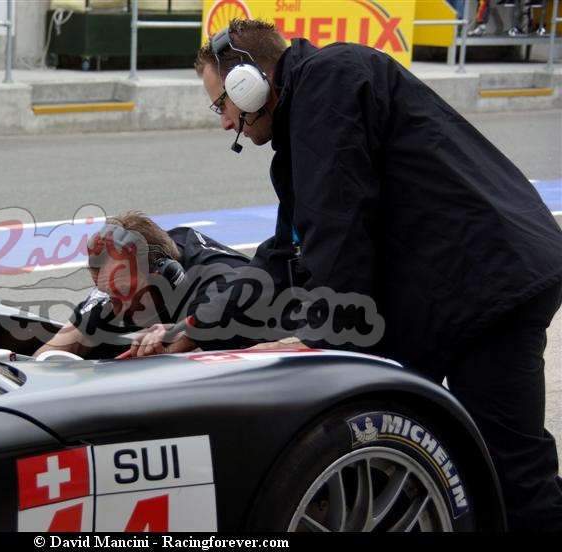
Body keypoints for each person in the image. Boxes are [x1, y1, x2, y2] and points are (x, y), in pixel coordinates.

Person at [193, 18, 562, 531]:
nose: (225, 122)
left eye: (221, 104)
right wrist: (192, 329)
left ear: (248, 82)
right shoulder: (305, 123)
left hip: (488, 286)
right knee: (443, 453)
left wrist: (317, 336)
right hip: (458, 289)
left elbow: (337, 229)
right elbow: (281, 258)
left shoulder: (329, 80)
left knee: (512, 475)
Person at [33, 210, 251, 359]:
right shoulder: (115, 283)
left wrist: (183, 335)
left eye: (123, 292)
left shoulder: (222, 282)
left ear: (165, 275)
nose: (115, 308)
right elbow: (57, 348)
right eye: (107, 292)